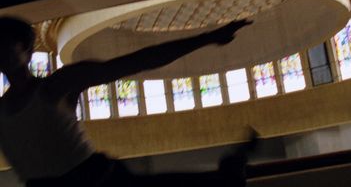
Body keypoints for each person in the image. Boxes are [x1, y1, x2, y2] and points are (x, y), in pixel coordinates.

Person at [0, 16, 253, 186]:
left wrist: (206, 38)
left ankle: (225, 176)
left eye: (5, 45)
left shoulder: (56, 86)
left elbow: (138, 61)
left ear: (26, 50)